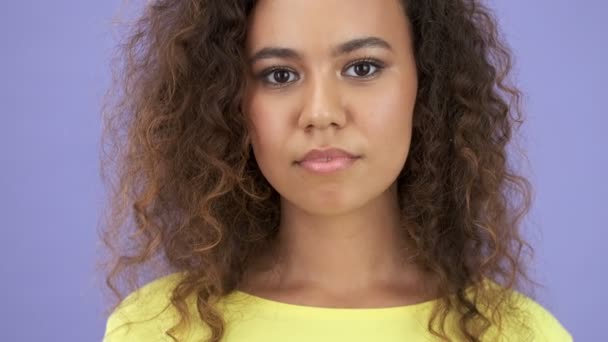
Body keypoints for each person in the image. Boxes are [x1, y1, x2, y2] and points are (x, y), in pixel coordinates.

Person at [98, 0, 572, 341]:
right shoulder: (159, 327)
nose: (320, 112)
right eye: (279, 75)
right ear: (229, 103)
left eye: (362, 68)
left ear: (426, 87)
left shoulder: (517, 334)